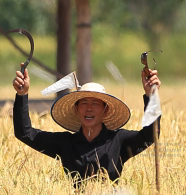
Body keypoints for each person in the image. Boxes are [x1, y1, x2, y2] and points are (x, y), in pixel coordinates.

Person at [13, 65, 161, 182]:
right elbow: (25, 133)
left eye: (95, 103)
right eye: (84, 103)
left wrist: (151, 96)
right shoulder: (65, 143)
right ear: (76, 110)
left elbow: (150, 136)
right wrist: (22, 94)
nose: (89, 108)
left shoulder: (118, 140)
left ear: (106, 110)